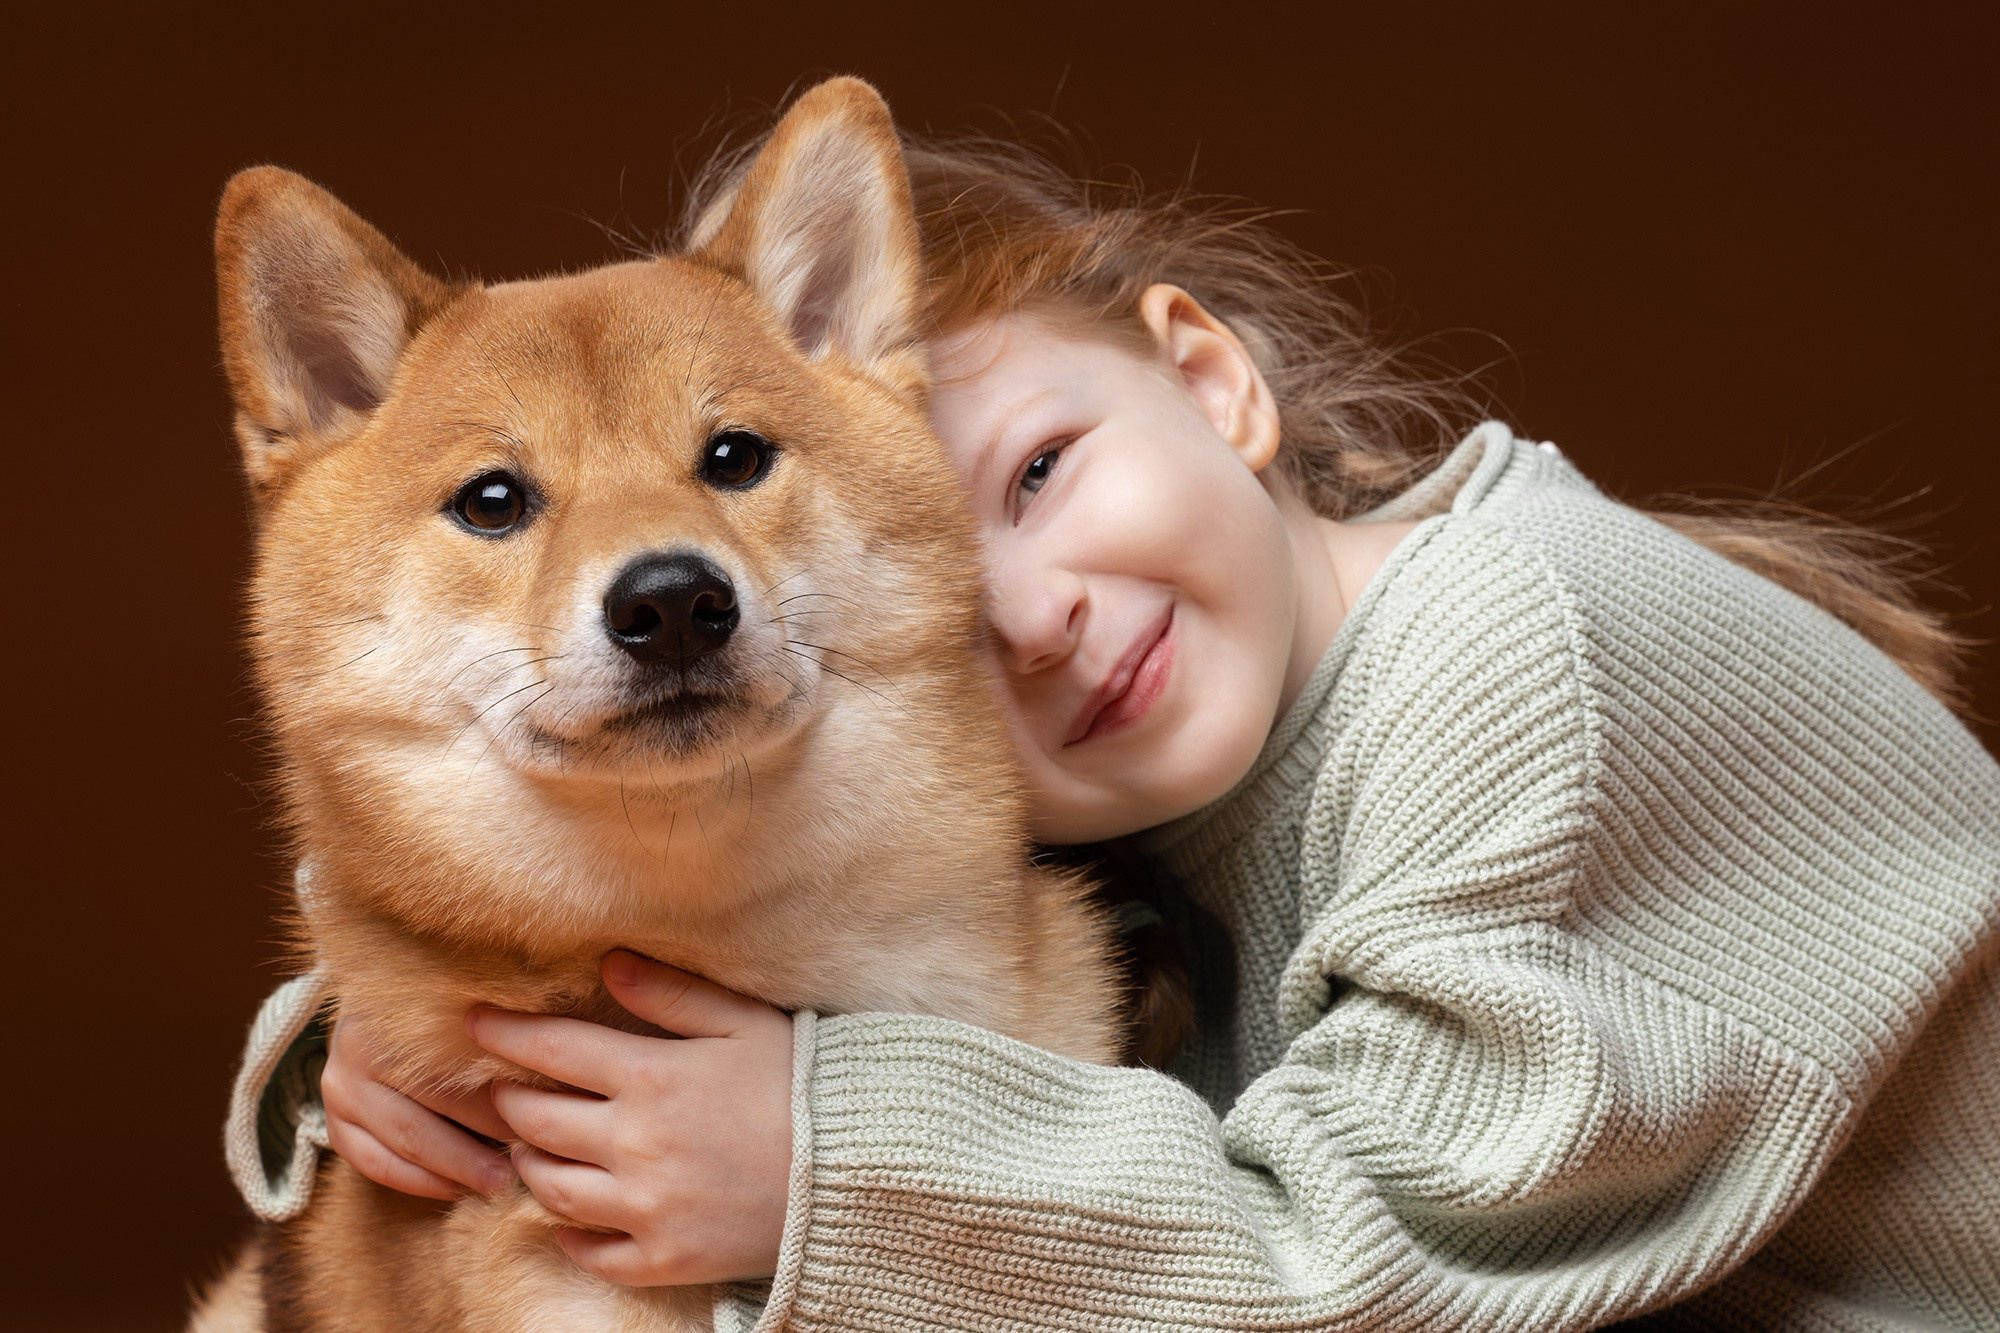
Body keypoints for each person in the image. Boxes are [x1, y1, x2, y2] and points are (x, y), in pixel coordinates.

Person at [224, 129, 2000, 1331]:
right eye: (941, 571)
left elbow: (1370, 1271)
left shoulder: (1517, 651)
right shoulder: (1139, 766)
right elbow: (750, 900)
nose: (1025, 607)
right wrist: (396, 1048)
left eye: (1045, 472)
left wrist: (825, 1164)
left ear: (1216, 378)